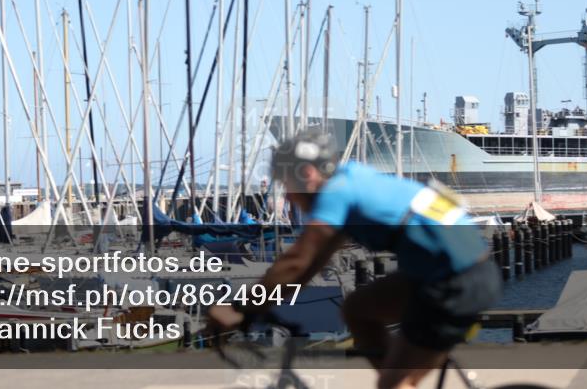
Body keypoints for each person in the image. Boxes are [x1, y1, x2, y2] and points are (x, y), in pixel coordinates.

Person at [207, 127, 502, 389]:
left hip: (455, 282)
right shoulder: (352, 179)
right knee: (358, 309)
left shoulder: (335, 194)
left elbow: (298, 261)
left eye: (286, 186)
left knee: (396, 384)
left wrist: (240, 308)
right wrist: (262, 303)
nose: (289, 196)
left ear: (307, 175)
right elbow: (313, 262)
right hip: (454, 271)